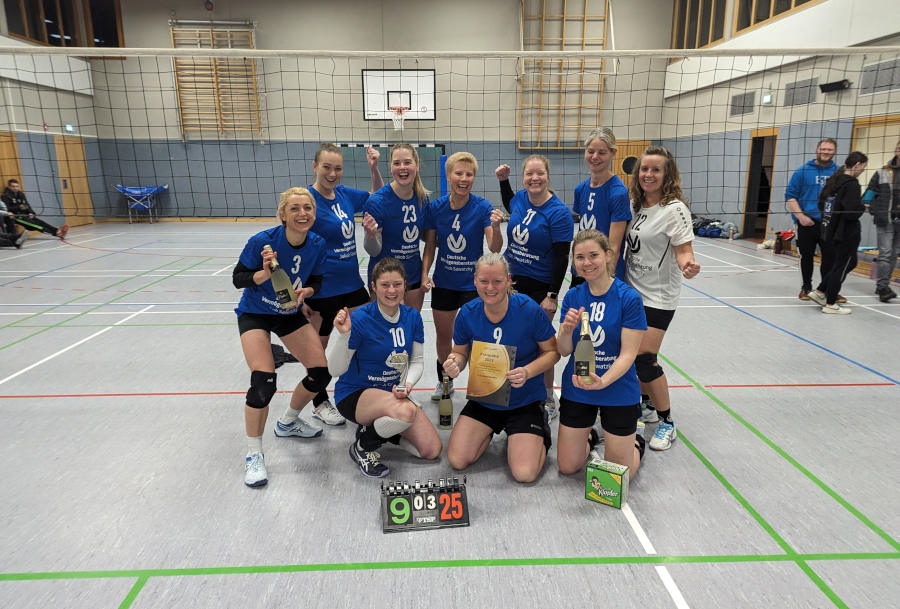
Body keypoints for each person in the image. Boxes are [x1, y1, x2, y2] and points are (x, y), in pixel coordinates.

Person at [232, 187, 331, 488]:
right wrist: (261, 275)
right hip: (256, 313)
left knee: (319, 374)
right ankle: (254, 455)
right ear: (283, 214)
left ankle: (288, 422)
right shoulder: (262, 242)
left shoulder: (317, 243)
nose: (303, 213)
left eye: (308, 208)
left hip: (288, 313)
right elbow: (238, 278)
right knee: (263, 381)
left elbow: (316, 279)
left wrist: (308, 292)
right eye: (295, 208)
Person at [443, 253, 560, 483]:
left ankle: (535, 431)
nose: (490, 287)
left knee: (524, 474)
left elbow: (553, 352)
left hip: (524, 400)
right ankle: (491, 430)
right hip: (485, 398)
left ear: (508, 280)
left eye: (497, 281)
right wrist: (455, 362)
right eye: (484, 281)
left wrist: (527, 371)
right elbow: (460, 352)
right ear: (475, 281)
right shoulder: (467, 313)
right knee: (457, 460)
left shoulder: (529, 310)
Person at [328, 257, 441, 478]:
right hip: (355, 394)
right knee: (406, 411)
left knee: (430, 450)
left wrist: (407, 384)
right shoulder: (360, 318)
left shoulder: (412, 317)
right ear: (374, 286)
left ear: (405, 285)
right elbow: (334, 370)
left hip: (393, 395)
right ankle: (363, 446)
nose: (392, 290)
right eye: (385, 285)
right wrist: (344, 336)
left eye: (397, 284)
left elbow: (416, 361)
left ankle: (382, 430)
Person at [624, 146, 701, 451]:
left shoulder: (674, 209)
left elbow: (683, 249)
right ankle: (647, 404)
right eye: (645, 169)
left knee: (644, 358)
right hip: (632, 291)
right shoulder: (636, 205)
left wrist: (688, 264)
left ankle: (667, 422)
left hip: (658, 296)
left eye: (656, 170)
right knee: (631, 358)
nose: (649, 174)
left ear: (667, 174)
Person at [302, 143, 383, 426]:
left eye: (337, 168)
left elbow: (377, 196)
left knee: (367, 336)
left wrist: (374, 168)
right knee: (317, 354)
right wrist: (299, 297)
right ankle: (320, 402)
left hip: (351, 285)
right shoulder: (307, 201)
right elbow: (294, 248)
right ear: (315, 166)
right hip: (320, 290)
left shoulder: (346, 194)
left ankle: (361, 390)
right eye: (327, 167)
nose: (332, 173)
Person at [556, 229, 647, 479]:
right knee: (567, 466)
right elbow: (564, 351)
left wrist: (603, 382)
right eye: (579, 257)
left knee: (617, 477)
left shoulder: (628, 298)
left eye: (593, 255)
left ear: (608, 255)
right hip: (579, 386)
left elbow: (628, 355)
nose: (586, 263)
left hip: (616, 388)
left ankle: (636, 442)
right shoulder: (574, 296)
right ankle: (592, 434)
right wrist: (565, 331)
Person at [495, 156, 574, 419]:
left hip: (541, 287)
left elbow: (563, 256)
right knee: (508, 337)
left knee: (542, 344)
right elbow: (510, 204)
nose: (534, 178)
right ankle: (506, 389)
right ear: (524, 177)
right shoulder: (520, 199)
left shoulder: (559, 212)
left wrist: (553, 295)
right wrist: (503, 181)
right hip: (511, 282)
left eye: (539, 173)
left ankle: (548, 398)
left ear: (547, 175)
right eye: (529, 174)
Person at [421, 151, 503, 400]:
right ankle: (445, 381)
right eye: (459, 173)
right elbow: (430, 245)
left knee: (479, 338)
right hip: (445, 283)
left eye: (469, 174)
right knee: (444, 337)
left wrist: (497, 227)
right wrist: (425, 273)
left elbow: (495, 248)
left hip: (472, 285)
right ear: (448, 176)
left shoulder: (482, 207)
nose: (464, 178)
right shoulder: (436, 207)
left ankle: (483, 386)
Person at [364, 143, 429, 311]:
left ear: (417, 165)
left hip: (412, 275)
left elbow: (425, 236)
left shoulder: (423, 199)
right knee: (380, 333)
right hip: (384, 278)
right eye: (397, 163)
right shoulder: (377, 201)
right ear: (391, 166)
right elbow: (373, 251)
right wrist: (370, 236)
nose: (402, 168)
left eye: (407, 162)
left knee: (410, 329)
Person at [806, 152, 869, 314]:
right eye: (863, 167)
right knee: (841, 266)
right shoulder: (852, 183)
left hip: (830, 230)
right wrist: (863, 206)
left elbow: (822, 205)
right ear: (857, 165)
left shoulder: (834, 180)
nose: (863, 170)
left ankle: (820, 291)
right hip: (846, 232)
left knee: (848, 262)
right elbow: (851, 213)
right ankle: (831, 303)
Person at [572, 128, 631, 283]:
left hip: (604, 274)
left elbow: (614, 247)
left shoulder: (618, 193)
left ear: (613, 153)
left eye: (602, 152)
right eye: (590, 151)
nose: (595, 157)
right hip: (582, 270)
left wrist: (607, 281)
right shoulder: (580, 189)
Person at [785, 139, 839, 301]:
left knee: (830, 257)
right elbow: (790, 197)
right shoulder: (802, 171)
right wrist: (801, 217)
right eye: (823, 149)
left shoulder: (839, 173)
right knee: (806, 256)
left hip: (829, 223)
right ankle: (806, 287)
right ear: (817, 150)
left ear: (834, 152)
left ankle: (826, 289)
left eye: (830, 149)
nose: (826, 152)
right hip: (807, 222)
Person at [865, 139, 899, 303]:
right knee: (885, 254)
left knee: (893, 255)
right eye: (899, 146)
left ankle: (883, 285)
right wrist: (872, 209)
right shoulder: (883, 171)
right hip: (885, 220)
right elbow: (869, 192)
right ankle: (882, 288)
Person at [1, 179, 68, 239]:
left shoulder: (21, 194)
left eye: (17, 186)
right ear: (9, 187)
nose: (15, 188)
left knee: (40, 222)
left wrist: (31, 212)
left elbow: (27, 205)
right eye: (13, 186)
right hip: (16, 216)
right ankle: (57, 234)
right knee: (36, 225)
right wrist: (19, 207)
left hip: (25, 214)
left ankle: (57, 230)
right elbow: (6, 209)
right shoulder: (5, 196)